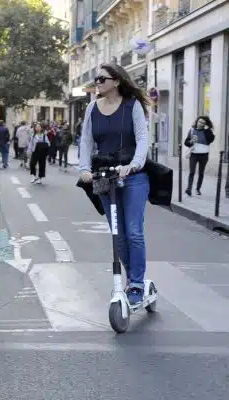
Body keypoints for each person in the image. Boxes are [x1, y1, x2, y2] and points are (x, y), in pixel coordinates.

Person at [78, 62, 151, 305]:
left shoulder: (133, 105)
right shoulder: (91, 108)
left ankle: (138, 284)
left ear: (117, 81)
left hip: (132, 176)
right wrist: (84, 169)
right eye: (97, 79)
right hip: (105, 177)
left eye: (102, 79)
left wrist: (134, 164)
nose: (98, 83)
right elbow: (86, 141)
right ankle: (132, 280)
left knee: (133, 231)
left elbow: (142, 139)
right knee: (117, 234)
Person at [184, 115, 215, 196]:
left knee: (201, 173)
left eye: (203, 123)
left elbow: (211, 140)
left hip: (204, 155)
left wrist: (207, 130)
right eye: (200, 121)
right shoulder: (191, 130)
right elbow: (186, 142)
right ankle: (189, 189)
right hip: (194, 154)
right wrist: (190, 141)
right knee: (192, 172)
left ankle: (198, 189)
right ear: (197, 121)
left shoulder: (206, 131)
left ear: (205, 124)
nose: (201, 124)